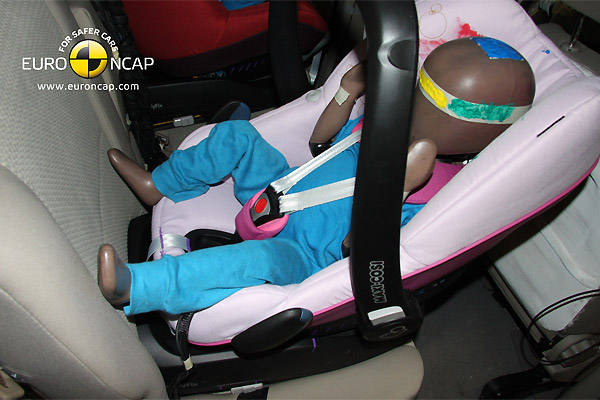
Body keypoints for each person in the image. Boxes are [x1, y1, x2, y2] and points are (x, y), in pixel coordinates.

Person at [98, 37, 534, 317]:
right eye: (423, 87)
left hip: (304, 254)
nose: (418, 102)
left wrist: (398, 189)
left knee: (252, 262)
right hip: (281, 187)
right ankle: (160, 185)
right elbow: (319, 143)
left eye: (437, 99)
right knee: (236, 135)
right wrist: (348, 90)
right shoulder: (383, 124)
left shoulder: (440, 195)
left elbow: (361, 253)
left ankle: (138, 286)